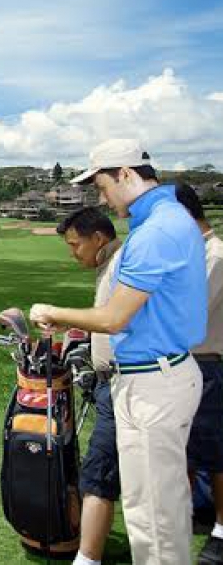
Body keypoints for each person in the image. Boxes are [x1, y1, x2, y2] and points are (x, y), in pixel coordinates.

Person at [30, 138, 207, 565]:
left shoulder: (157, 231)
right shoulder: (158, 223)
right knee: (149, 509)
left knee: (154, 518)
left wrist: (52, 312)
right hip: (149, 377)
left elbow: (114, 318)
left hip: (154, 383)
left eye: (101, 185)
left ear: (125, 174)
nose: (100, 196)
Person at [55, 207, 122, 565]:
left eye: (75, 244)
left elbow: (114, 320)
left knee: (98, 473)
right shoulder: (106, 266)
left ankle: (87, 558)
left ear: (98, 238)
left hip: (123, 385)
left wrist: (57, 313)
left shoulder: (119, 265)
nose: (73, 252)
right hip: (108, 384)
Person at [175, 184, 223, 565]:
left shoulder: (215, 255)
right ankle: (189, 513)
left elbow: (189, 312)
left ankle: (221, 530)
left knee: (214, 453)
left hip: (207, 363)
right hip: (185, 365)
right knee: (186, 451)